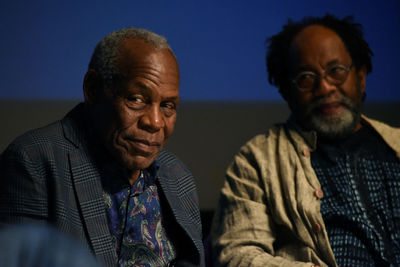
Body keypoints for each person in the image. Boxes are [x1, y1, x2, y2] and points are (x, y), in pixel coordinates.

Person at [0, 27, 205, 267]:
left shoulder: (177, 176)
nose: (155, 122)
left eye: (168, 105)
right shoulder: (33, 161)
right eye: (137, 99)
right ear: (93, 89)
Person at [211, 14, 400, 267]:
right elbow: (236, 255)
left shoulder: (396, 142)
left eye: (336, 71)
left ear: (361, 76)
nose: (324, 88)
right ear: (286, 92)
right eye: (306, 78)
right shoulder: (256, 160)